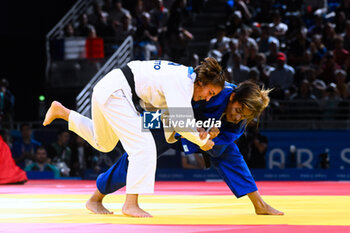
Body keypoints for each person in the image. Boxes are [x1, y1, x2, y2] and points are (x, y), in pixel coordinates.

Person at [43, 57, 226, 217]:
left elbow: (168, 121)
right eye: (210, 93)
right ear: (201, 82)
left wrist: (197, 129)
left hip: (111, 90)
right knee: (144, 147)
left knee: (104, 143)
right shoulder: (183, 83)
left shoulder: (182, 79)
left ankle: (64, 113)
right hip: (116, 93)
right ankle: (131, 204)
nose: (207, 99)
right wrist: (202, 141)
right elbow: (180, 123)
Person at [85, 81, 284, 216]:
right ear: (232, 97)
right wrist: (192, 127)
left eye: (244, 116)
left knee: (231, 154)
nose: (238, 117)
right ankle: (97, 198)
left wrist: (213, 137)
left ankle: (259, 204)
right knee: (139, 151)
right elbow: (177, 104)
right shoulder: (214, 92)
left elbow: (229, 136)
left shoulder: (243, 115)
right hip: (170, 119)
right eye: (238, 111)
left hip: (203, 136)